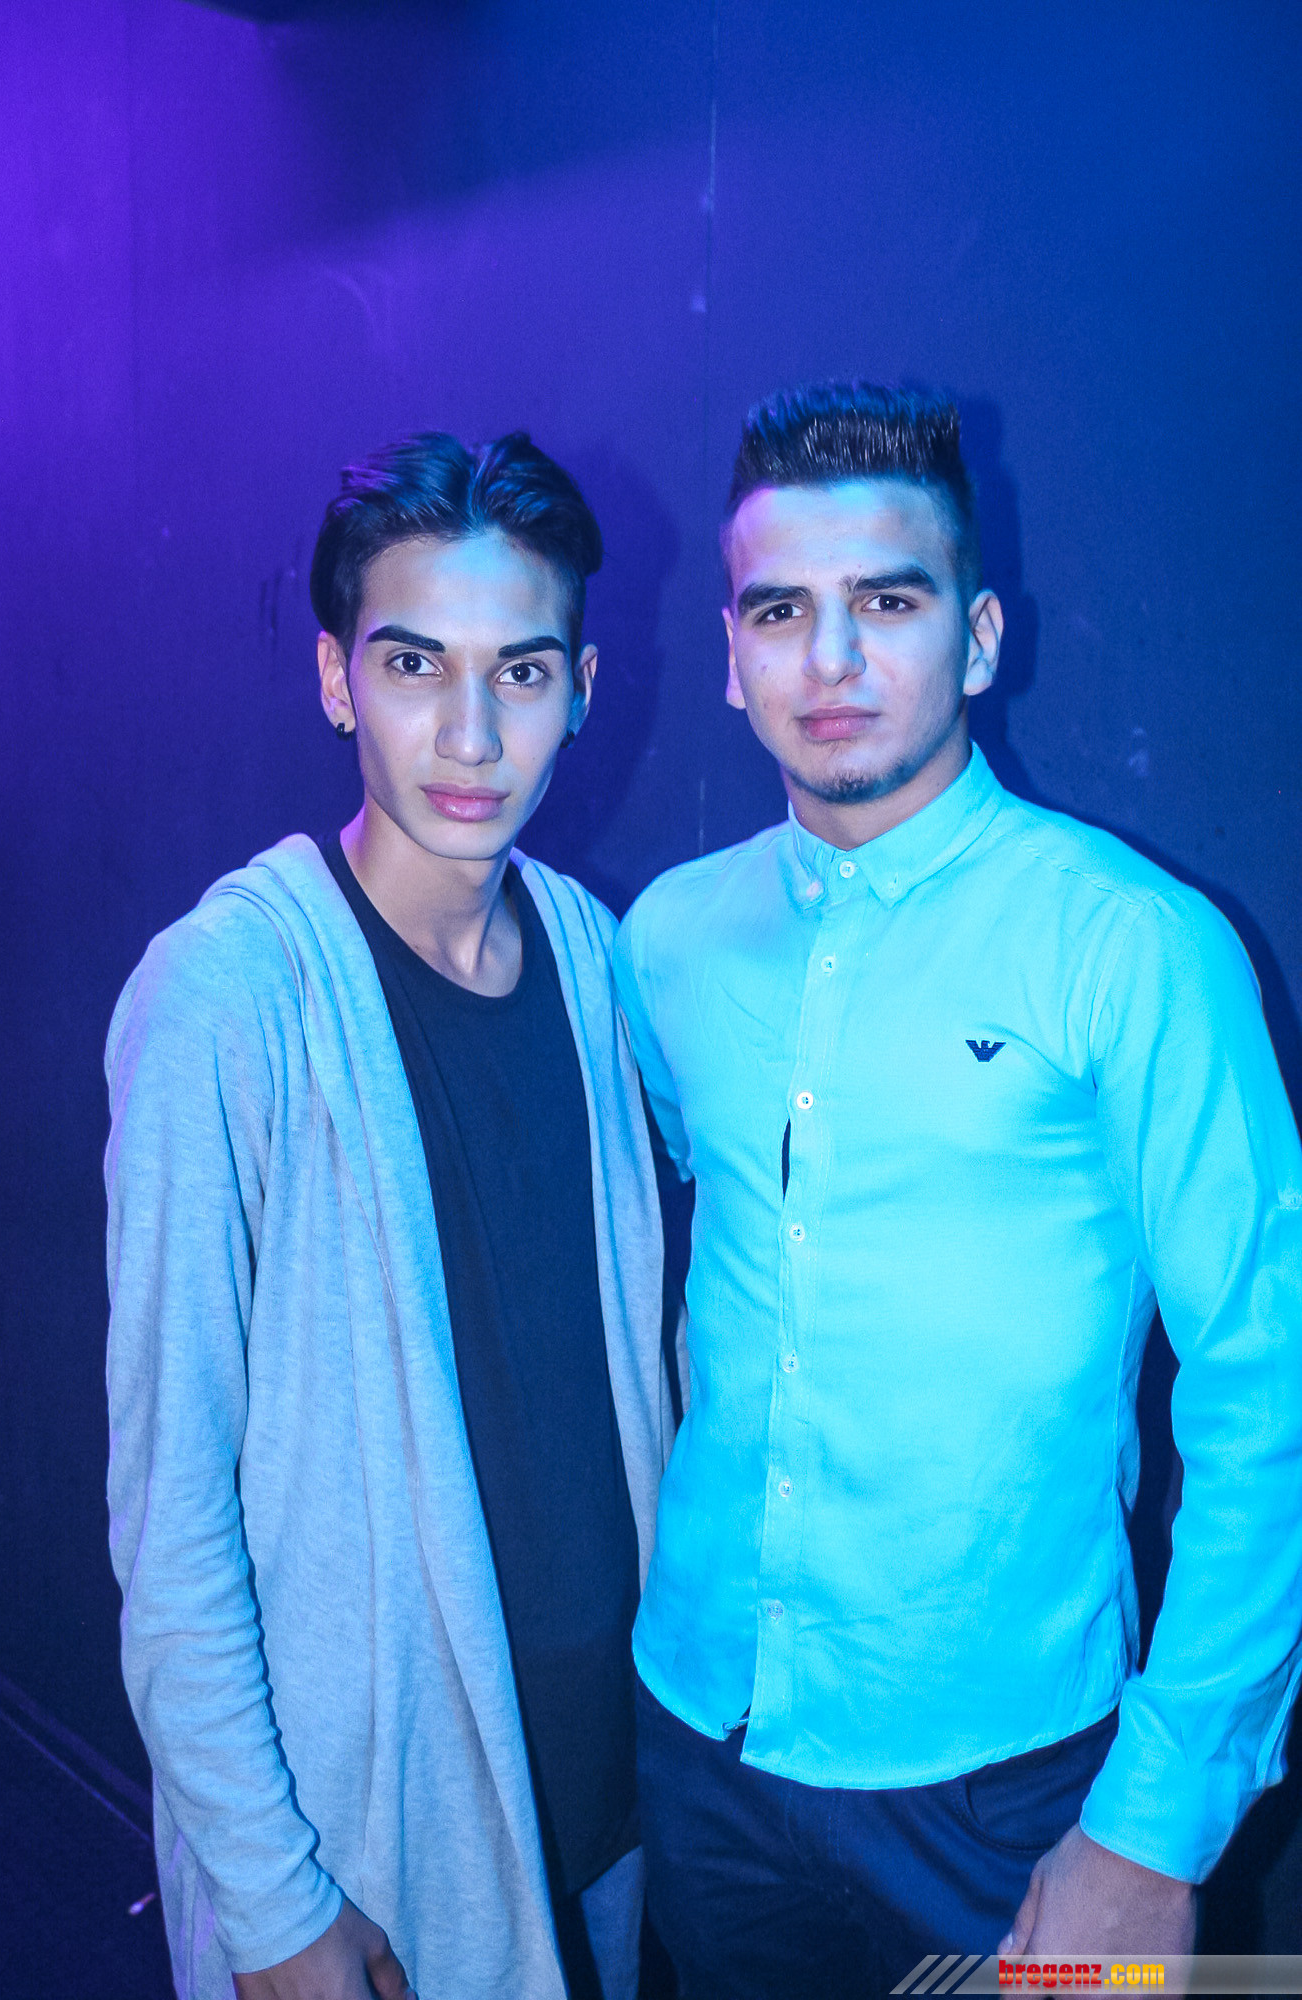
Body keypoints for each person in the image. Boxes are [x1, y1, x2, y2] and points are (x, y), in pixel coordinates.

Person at [612, 381, 1302, 1996]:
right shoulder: (666, 942)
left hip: (1021, 1787)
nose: (830, 660)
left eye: (887, 603)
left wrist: (1154, 1829)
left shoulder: (1132, 945)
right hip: (704, 1737)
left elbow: (1271, 1380)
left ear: (978, 639)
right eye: (780, 612)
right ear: (730, 657)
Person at [105, 431, 674, 2000]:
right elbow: (169, 1513)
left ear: (582, 687)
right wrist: (273, 1904)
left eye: (521, 672)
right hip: (375, 1840)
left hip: (607, 1796)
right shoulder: (230, 994)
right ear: (335, 679)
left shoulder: (593, 952)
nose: (471, 735)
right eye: (415, 664)